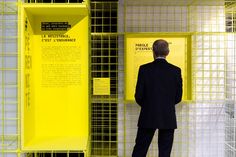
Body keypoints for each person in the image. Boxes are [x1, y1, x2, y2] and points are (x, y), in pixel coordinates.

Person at [132, 39, 183, 157]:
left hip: (147, 115)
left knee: (140, 149)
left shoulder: (144, 69)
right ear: (168, 52)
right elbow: (178, 97)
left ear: (153, 51)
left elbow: (138, 96)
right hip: (167, 116)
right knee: (165, 152)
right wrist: (166, 105)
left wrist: (148, 106)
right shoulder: (175, 71)